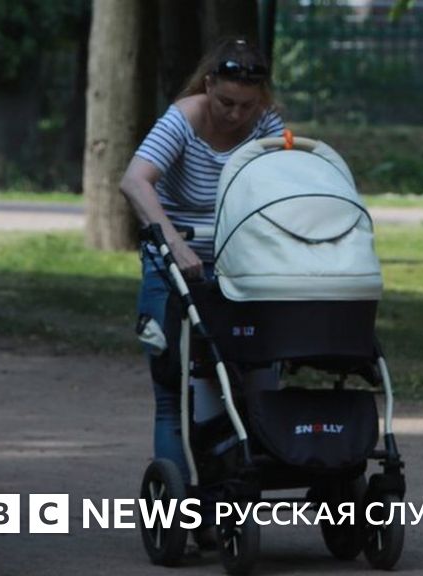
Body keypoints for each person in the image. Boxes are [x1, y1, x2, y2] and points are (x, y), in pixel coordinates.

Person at [119, 38, 284, 490]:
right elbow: (135, 181)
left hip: (240, 266)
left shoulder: (265, 122)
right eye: (226, 102)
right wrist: (174, 245)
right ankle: (180, 501)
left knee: (248, 381)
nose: (235, 115)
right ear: (208, 85)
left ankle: (232, 493)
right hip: (175, 264)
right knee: (175, 390)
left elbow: (284, 184)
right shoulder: (183, 118)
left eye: (246, 105)